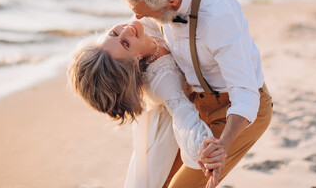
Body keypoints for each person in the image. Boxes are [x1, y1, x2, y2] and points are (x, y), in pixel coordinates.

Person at [120, 0, 273, 188]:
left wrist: (222, 146)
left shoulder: (218, 17)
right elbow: (137, 29)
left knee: (181, 186)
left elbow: (245, 93)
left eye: (145, 14)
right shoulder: (161, 2)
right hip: (196, 104)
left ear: (172, 2)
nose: (139, 19)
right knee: (159, 180)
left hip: (237, 111)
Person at [67, 20, 227, 188]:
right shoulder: (163, 79)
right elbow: (183, 114)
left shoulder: (139, 26)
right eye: (126, 44)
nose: (127, 30)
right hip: (173, 119)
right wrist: (203, 146)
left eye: (114, 33)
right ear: (135, 61)